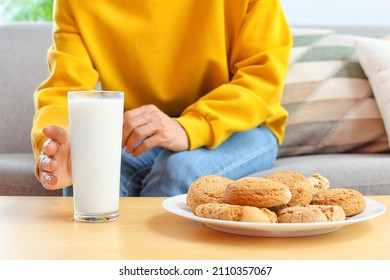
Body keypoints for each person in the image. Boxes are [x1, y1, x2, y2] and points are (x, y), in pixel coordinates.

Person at [32, 0, 292, 197]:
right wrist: (55, 146)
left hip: (240, 127)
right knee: (91, 172)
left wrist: (189, 127)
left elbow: (261, 79)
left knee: (178, 170)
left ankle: (159, 268)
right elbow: (64, 88)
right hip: (143, 134)